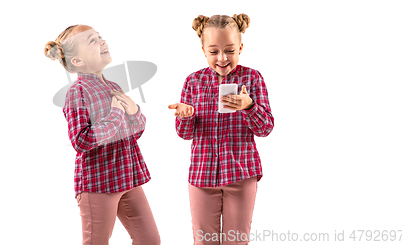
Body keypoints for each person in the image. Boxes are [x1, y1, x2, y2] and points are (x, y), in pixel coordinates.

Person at [44, 24, 160, 245]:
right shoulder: (76, 93)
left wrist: (134, 111)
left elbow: (132, 134)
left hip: (127, 176)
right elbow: (81, 141)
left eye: (100, 37)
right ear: (77, 61)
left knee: (150, 240)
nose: (102, 42)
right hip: (98, 183)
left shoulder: (113, 86)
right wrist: (116, 114)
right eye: (92, 41)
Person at [168, 14, 274, 245]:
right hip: (202, 175)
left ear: (240, 48)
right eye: (214, 51)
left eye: (230, 50)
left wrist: (249, 106)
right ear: (204, 50)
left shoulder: (252, 78)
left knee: (236, 241)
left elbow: (266, 128)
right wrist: (186, 116)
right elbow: (184, 134)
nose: (223, 58)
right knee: (204, 241)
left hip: (241, 173)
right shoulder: (193, 81)